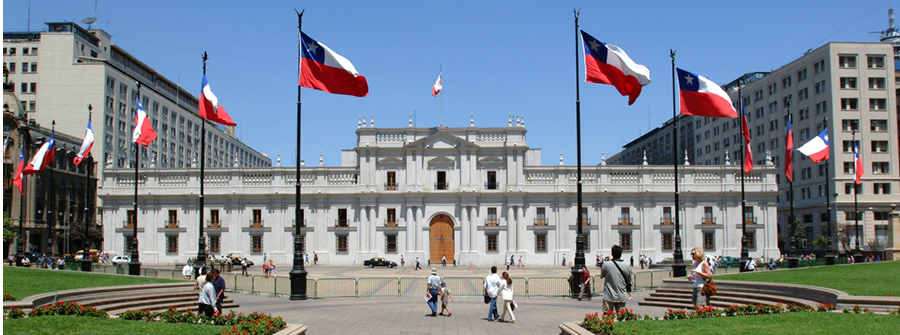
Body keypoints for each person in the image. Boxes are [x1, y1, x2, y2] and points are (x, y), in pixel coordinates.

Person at [599, 245, 633, 313]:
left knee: (607, 317)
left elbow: (602, 276)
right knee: (621, 316)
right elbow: (629, 279)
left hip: (609, 295)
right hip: (621, 295)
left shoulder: (606, 265)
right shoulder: (627, 266)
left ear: (612, 253)